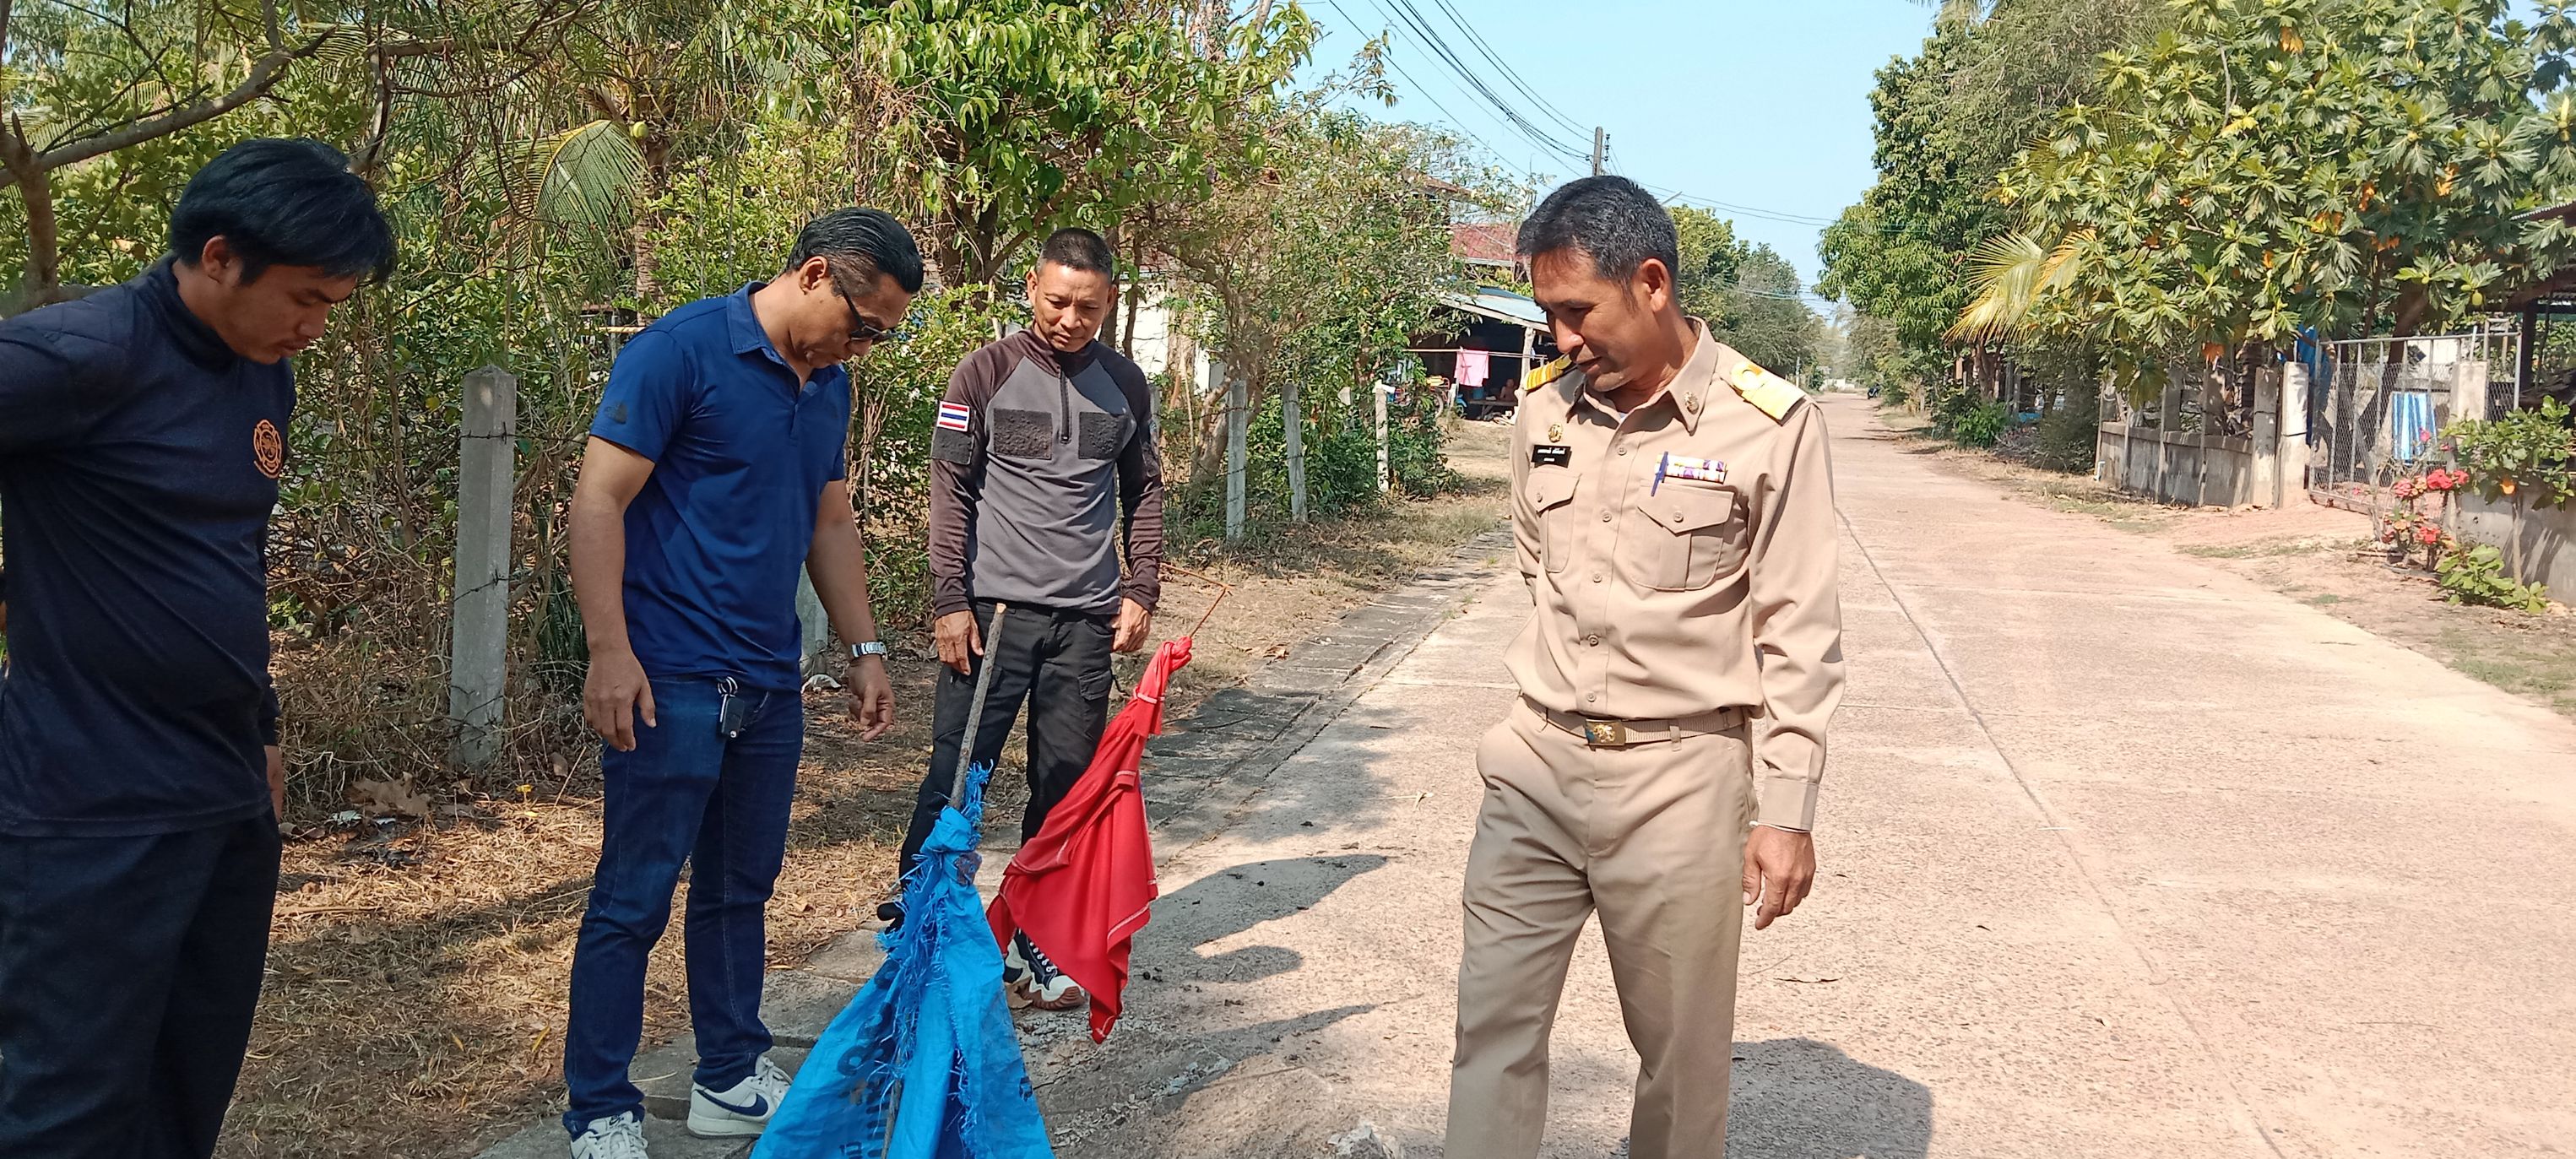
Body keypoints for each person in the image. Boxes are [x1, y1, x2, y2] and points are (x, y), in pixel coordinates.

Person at [0, 138, 393, 1159]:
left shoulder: (262, 377)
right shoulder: (83, 353)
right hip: (91, 804)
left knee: (186, 1084)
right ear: (219, 257)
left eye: (332, 306)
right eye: (304, 298)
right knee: (67, 1104)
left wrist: (262, 728)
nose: (313, 327)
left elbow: (232, 562)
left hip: (220, 795)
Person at [1445, 176, 1846, 1159]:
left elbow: (1798, 626)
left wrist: (1787, 808)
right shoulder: (1543, 412)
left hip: (1680, 783)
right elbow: (1537, 568)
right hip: (1535, 767)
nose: (1562, 337)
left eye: (1578, 311)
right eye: (1547, 313)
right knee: (1491, 1030)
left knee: (1680, 1061)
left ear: (1653, 283)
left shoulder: (1769, 424)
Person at [560, 209, 919, 1158]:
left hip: (768, 679)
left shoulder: (828, 386)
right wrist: (608, 649)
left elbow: (829, 522)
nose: (865, 346)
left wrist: (865, 647)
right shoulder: (678, 352)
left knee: (739, 889)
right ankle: (600, 1105)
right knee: (633, 896)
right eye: (864, 324)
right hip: (668, 674)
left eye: (882, 335)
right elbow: (598, 500)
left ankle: (727, 1075)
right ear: (815, 274)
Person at [882, 226, 1166, 1013]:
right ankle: (920, 935)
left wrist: (1140, 588)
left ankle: (1036, 940)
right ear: (1032, 287)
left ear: (1109, 302)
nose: (1070, 319)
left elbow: (1144, 491)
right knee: (956, 776)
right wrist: (948, 600)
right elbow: (950, 492)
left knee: (1064, 788)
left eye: (1088, 307)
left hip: (1085, 621)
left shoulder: (1125, 384)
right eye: (1057, 301)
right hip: (992, 616)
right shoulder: (983, 373)